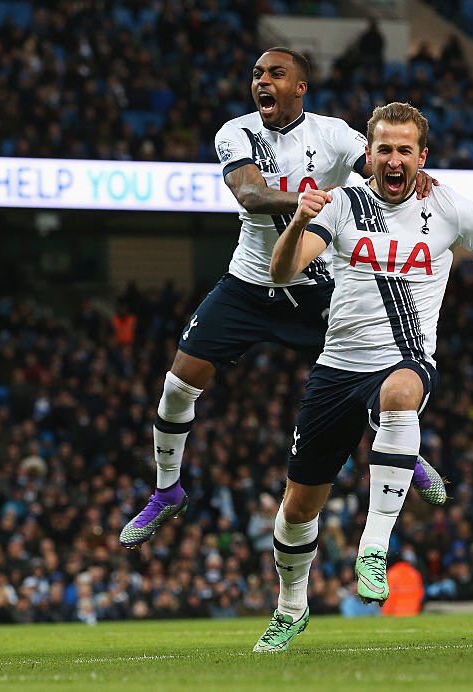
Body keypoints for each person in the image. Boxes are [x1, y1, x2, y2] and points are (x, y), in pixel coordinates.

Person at [253, 102, 473, 652]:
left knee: (401, 394)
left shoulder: (450, 205)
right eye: (384, 149)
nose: (394, 159)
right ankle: (290, 608)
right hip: (337, 368)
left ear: (422, 156)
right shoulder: (342, 204)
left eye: (405, 150)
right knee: (297, 510)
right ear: (368, 155)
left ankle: (373, 548)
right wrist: (303, 217)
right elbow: (282, 272)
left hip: (405, 358)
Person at [119, 48, 444, 549]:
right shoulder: (236, 132)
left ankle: (404, 449)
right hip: (249, 285)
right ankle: (167, 492)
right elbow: (250, 195)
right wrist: (322, 201)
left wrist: (407, 176)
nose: (262, 82)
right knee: (178, 385)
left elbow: (378, 172)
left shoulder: (333, 134)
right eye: (256, 74)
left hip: (316, 288)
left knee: (373, 377)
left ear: (300, 87)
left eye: (275, 73)